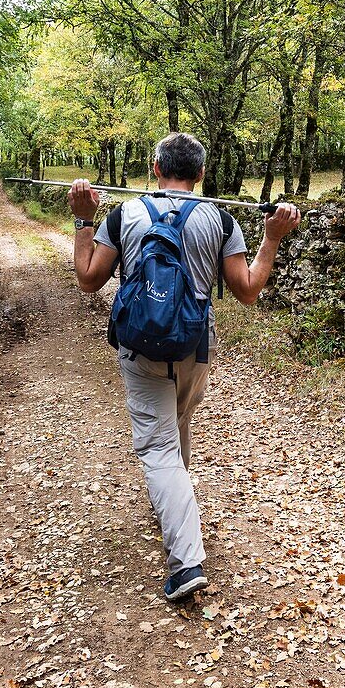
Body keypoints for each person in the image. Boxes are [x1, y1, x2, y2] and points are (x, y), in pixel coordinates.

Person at [68, 132, 300, 601]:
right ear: (200, 175)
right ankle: (174, 507)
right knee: (175, 428)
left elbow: (89, 279)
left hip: (139, 349)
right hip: (194, 349)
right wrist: (271, 238)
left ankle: (186, 561)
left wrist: (82, 219)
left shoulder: (124, 215)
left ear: (155, 169)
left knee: (158, 447)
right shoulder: (219, 219)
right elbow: (248, 289)